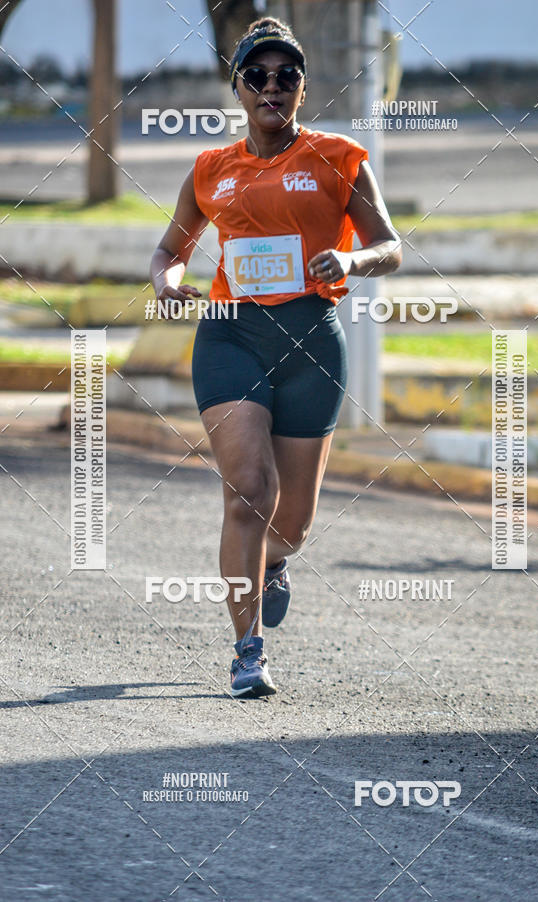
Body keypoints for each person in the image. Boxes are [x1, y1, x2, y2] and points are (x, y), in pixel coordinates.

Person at [150, 17, 402, 698]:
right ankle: (248, 651)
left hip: (311, 341)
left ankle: (274, 562)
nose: (271, 86)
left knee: (290, 523)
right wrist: (168, 284)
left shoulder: (338, 157)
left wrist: (351, 257)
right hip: (230, 335)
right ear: (237, 87)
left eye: (285, 75)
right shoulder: (210, 169)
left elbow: (391, 245)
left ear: (301, 87)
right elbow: (168, 251)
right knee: (248, 494)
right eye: (257, 75)